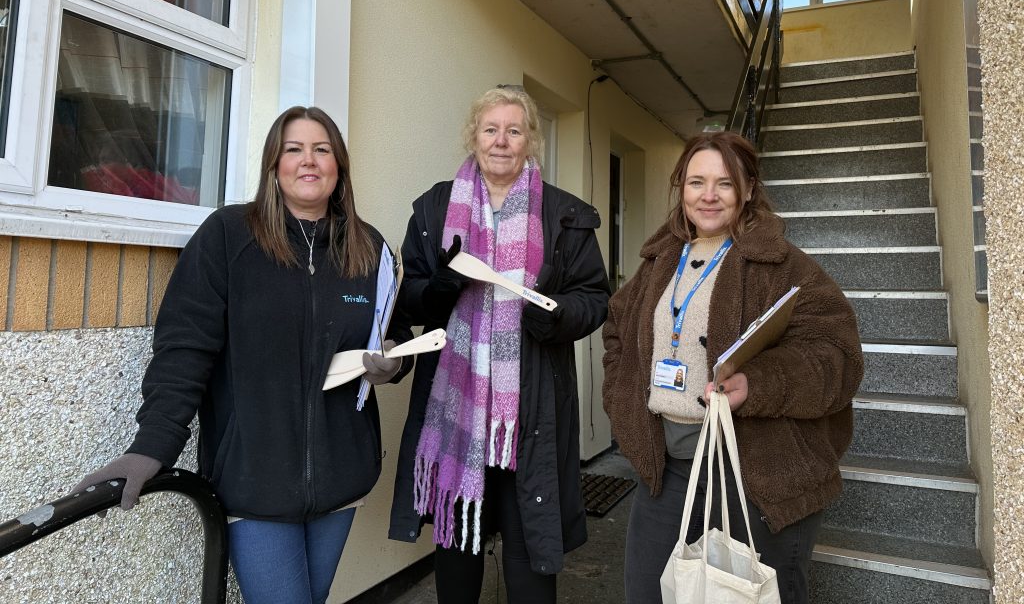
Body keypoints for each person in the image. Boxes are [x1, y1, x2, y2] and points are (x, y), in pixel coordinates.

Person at [74, 106, 409, 604]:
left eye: (322, 149)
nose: (308, 161)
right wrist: (153, 445)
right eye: (293, 149)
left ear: (339, 165)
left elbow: (391, 329)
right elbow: (185, 346)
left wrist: (395, 360)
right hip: (254, 479)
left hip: (343, 478)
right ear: (274, 164)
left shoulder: (369, 247)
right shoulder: (229, 236)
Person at [602, 131, 863, 604]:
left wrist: (759, 383)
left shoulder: (784, 265)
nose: (708, 195)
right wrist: (623, 405)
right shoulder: (659, 260)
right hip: (670, 470)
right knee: (647, 593)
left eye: (724, 183)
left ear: (747, 190)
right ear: (680, 187)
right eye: (696, 181)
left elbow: (837, 356)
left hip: (758, 473)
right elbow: (617, 329)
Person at [388, 85, 610, 604]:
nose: (502, 141)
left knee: (527, 540)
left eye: (514, 130)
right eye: (491, 129)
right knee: (457, 539)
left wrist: (553, 317)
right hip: (455, 408)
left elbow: (594, 297)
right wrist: (438, 289)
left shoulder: (565, 215)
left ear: (531, 139)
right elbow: (408, 297)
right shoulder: (434, 208)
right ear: (474, 135)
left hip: (528, 411)